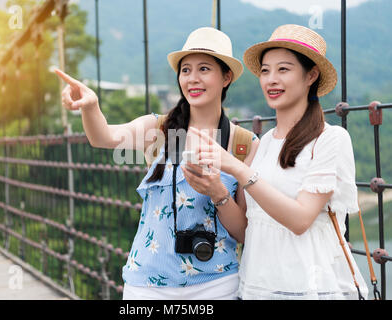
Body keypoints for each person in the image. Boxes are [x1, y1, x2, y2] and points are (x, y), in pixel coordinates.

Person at [55, 27, 259, 300]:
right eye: (185, 70)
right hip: (148, 285)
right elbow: (104, 137)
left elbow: (244, 231)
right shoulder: (159, 128)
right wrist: (91, 106)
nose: (192, 79)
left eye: (204, 69)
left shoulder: (244, 144)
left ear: (226, 77)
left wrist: (218, 193)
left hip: (217, 284)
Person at [188, 24, 369, 299]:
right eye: (265, 71)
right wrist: (216, 191)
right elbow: (246, 231)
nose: (271, 79)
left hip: (310, 290)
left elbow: (300, 220)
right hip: (255, 289)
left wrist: (237, 167)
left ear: (311, 75)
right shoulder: (262, 145)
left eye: (283, 69)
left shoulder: (331, 139)